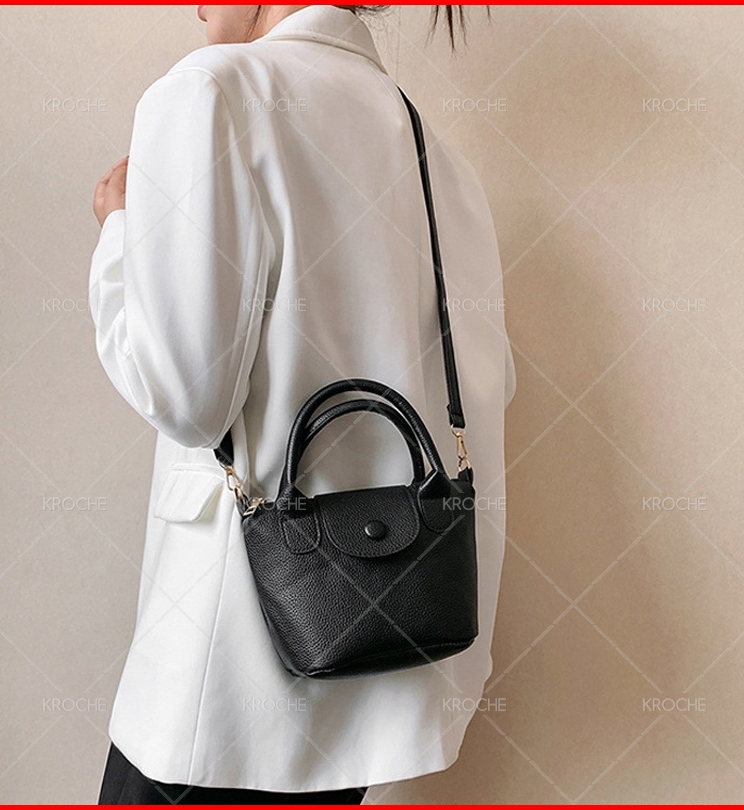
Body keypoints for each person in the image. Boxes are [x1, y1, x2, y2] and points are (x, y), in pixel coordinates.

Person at [89, 4, 517, 805]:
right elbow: (486, 390)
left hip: (230, 685)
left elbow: (184, 397)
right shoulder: (431, 150)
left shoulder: (213, 91)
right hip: (374, 658)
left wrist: (119, 234)